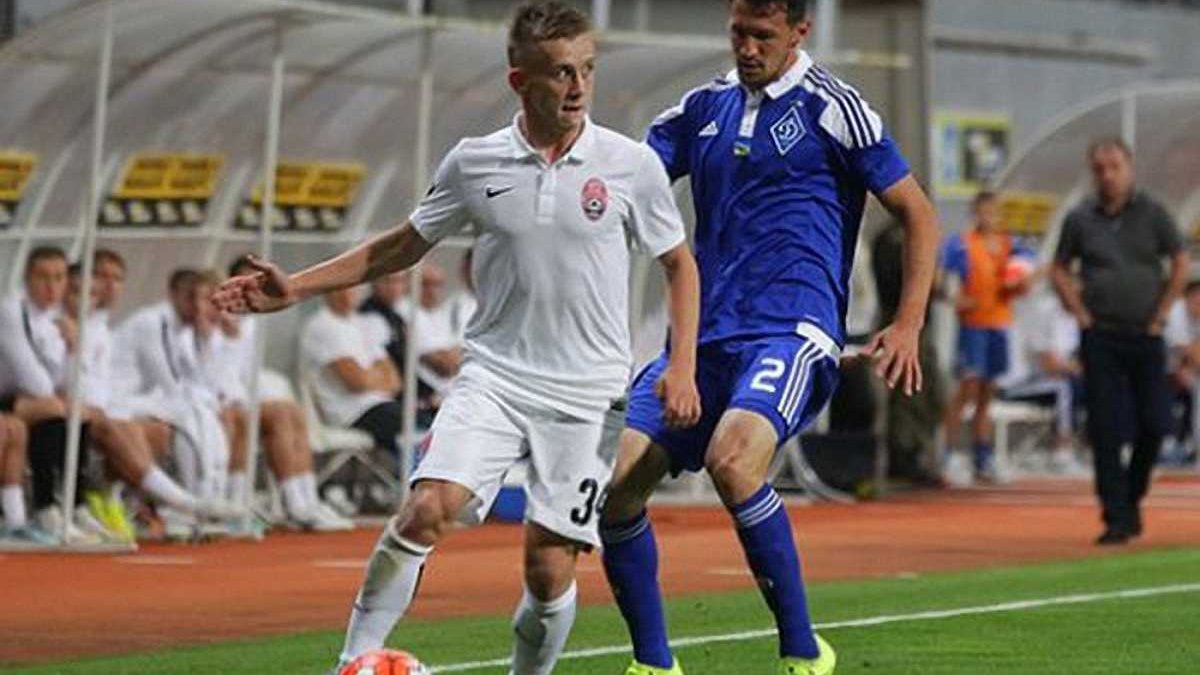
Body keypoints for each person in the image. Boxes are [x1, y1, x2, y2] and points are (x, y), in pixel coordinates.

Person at [216, 4, 700, 673]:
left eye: (587, 69)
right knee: (426, 508)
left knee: (548, 564)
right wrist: (296, 287)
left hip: (588, 395)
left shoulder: (630, 164)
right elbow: (402, 246)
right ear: (519, 81)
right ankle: (353, 662)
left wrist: (682, 365)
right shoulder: (475, 162)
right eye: (561, 72)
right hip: (495, 378)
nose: (579, 87)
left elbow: (679, 264)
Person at [598, 2, 940, 674]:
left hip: (792, 330)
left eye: (763, 36)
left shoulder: (834, 107)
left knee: (733, 459)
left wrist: (908, 322)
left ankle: (803, 652)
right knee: (617, 484)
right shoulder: (702, 108)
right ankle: (654, 664)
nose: (748, 48)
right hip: (703, 339)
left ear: (798, 33)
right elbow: (626, 180)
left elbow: (919, 213)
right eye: (738, 33)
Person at [1052, 137, 1190, 545]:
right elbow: (1059, 268)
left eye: (1115, 167)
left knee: (1155, 421)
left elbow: (1180, 260)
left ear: (1129, 168)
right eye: (1100, 169)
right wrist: (1079, 312)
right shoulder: (1080, 218)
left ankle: (1132, 494)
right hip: (1101, 334)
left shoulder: (1153, 213)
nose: (1108, 176)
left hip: (1145, 333)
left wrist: (1162, 313)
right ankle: (1115, 514)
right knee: (1106, 426)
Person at [214, 258, 352, 532]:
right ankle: (292, 504)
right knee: (277, 414)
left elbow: (245, 369)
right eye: (245, 281)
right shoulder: (220, 318)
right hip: (222, 397)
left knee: (291, 411)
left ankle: (308, 499)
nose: (252, 287)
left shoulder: (250, 321)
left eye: (257, 281)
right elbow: (220, 369)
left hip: (241, 393)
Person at [0, 246, 104, 543]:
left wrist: (72, 348)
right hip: (10, 395)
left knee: (75, 409)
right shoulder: (11, 312)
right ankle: (46, 507)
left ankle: (75, 504)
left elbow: (72, 386)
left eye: (58, 278)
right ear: (27, 279)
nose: (51, 286)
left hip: (23, 401)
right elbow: (36, 383)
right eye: (43, 277)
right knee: (54, 408)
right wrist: (58, 396)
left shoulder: (53, 320)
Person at [112, 269, 235, 518]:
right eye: (190, 297)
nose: (198, 306)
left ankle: (212, 494)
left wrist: (207, 339)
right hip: (118, 399)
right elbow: (170, 381)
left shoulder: (183, 330)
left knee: (202, 409)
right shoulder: (154, 322)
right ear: (173, 295)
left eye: (202, 299)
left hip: (145, 399)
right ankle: (195, 499)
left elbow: (205, 381)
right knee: (192, 410)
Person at [938, 191, 1035, 484]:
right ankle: (945, 456)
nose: (988, 217)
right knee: (967, 390)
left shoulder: (1010, 245)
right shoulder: (962, 244)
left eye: (992, 211)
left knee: (987, 394)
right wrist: (954, 299)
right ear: (974, 213)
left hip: (999, 324)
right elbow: (942, 279)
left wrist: (1020, 283)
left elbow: (1027, 275)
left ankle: (983, 457)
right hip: (973, 325)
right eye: (982, 211)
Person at [302, 286, 405, 458]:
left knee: (428, 421)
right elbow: (357, 382)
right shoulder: (322, 325)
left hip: (380, 406)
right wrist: (375, 375)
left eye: (356, 288)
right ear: (330, 292)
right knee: (411, 424)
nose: (354, 292)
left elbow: (395, 382)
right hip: (350, 413)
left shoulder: (363, 324)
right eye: (346, 288)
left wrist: (368, 375)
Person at [1000, 289, 1085, 474]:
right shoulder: (1046, 313)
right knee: (1064, 387)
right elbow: (1049, 365)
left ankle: (1103, 448)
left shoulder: (1077, 319)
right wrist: (1076, 368)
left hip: (1054, 383)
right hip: (1019, 383)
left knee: (1093, 387)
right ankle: (1062, 450)